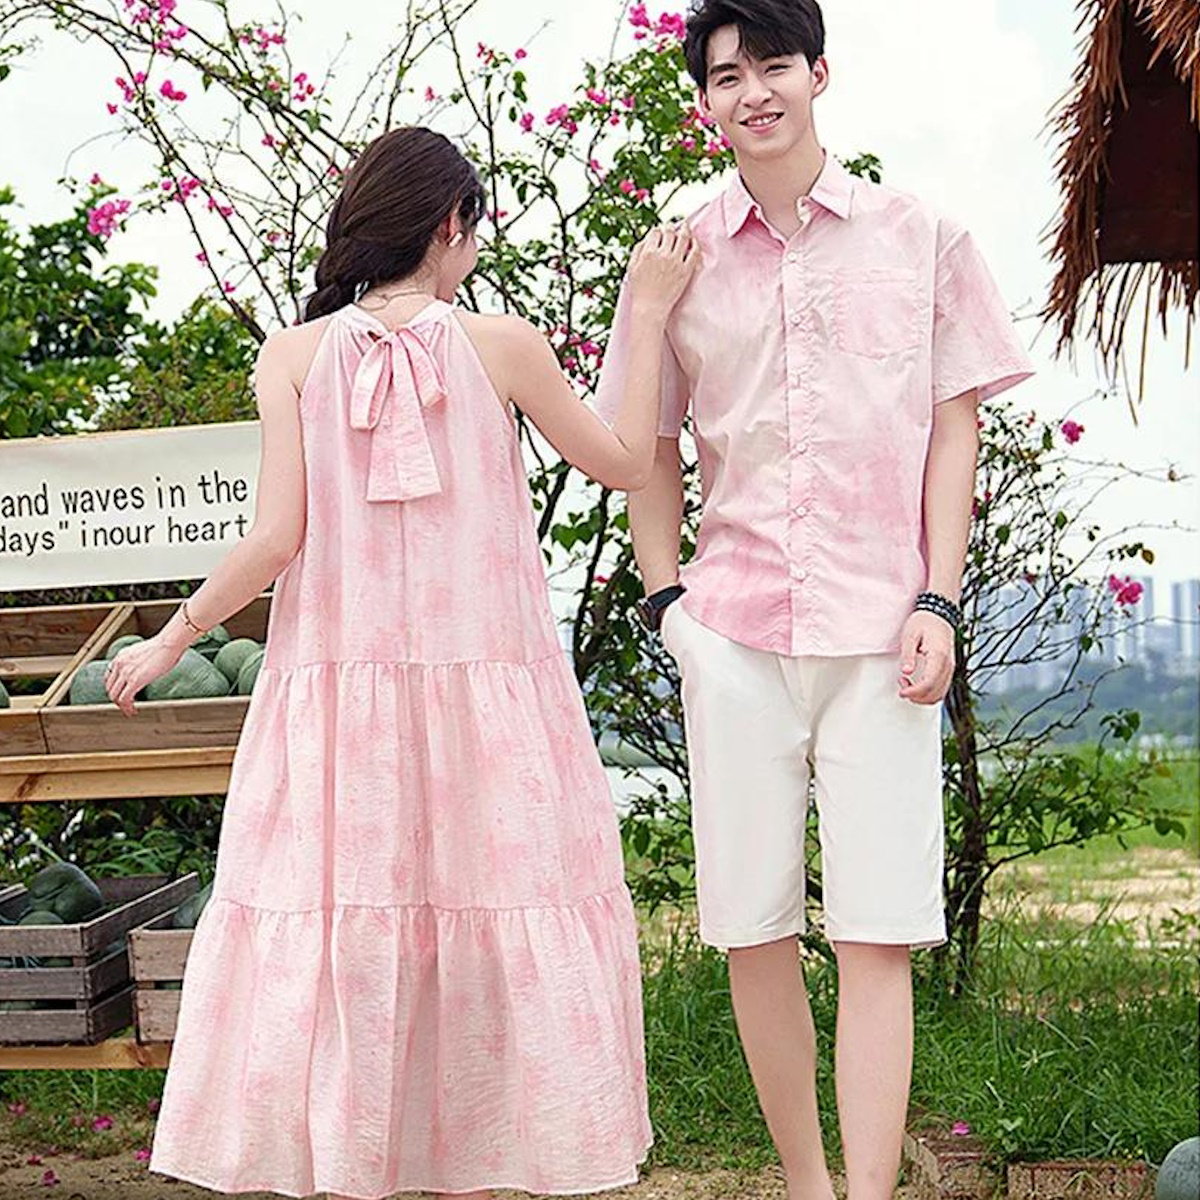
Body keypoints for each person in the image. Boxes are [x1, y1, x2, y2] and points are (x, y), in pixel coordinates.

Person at [104, 125, 699, 1200]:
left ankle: (356, 1158)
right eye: (472, 229)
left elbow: (275, 538)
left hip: (338, 716)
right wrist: (644, 312)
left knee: (349, 931)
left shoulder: (292, 354)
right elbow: (621, 459)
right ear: (447, 226)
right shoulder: (502, 345)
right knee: (492, 915)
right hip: (490, 708)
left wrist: (175, 632)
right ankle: (481, 1153)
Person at [594, 2, 1035, 1198]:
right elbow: (647, 446)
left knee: (877, 930)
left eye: (772, 65)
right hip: (730, 634)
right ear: (705, 102)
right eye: (725, 76)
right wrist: (664, 606)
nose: (752, 93)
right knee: (751, 925)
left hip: (882, 637)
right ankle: (805, 1183)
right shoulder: (675, 256)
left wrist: (939, 601)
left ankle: (871, 1196)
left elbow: (955, 429)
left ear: (819, 73)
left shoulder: (922, 237)